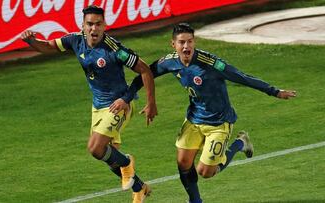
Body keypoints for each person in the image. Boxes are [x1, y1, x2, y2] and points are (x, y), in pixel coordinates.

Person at [125, 23, 296, 203]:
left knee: (205, 172)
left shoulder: (211, 64)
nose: (186, 46)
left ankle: (240, 143)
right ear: (173, 44)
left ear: (194, 42)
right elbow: (144, 73)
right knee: (183, 162)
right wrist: (128, 97)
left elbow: (242, 77)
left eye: (190, 41)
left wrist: (274, 91)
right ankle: (195, 201)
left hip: (219, 122)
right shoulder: (169, 62)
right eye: (182, 42)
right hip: (194, 118)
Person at [20, 5, 157, 203]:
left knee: (95, 148)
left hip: (119, 105)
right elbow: (49, 46)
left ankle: (128, 163)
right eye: (90, 24)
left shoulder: (115, 49)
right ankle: (139, 188)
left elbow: (145, 70)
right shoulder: (75, 40)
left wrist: (149, 103)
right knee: (109, 157)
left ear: (105, 25)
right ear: (82, 25)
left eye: (98, 24)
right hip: (98, 106)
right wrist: (31, 41)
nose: (94, 29)